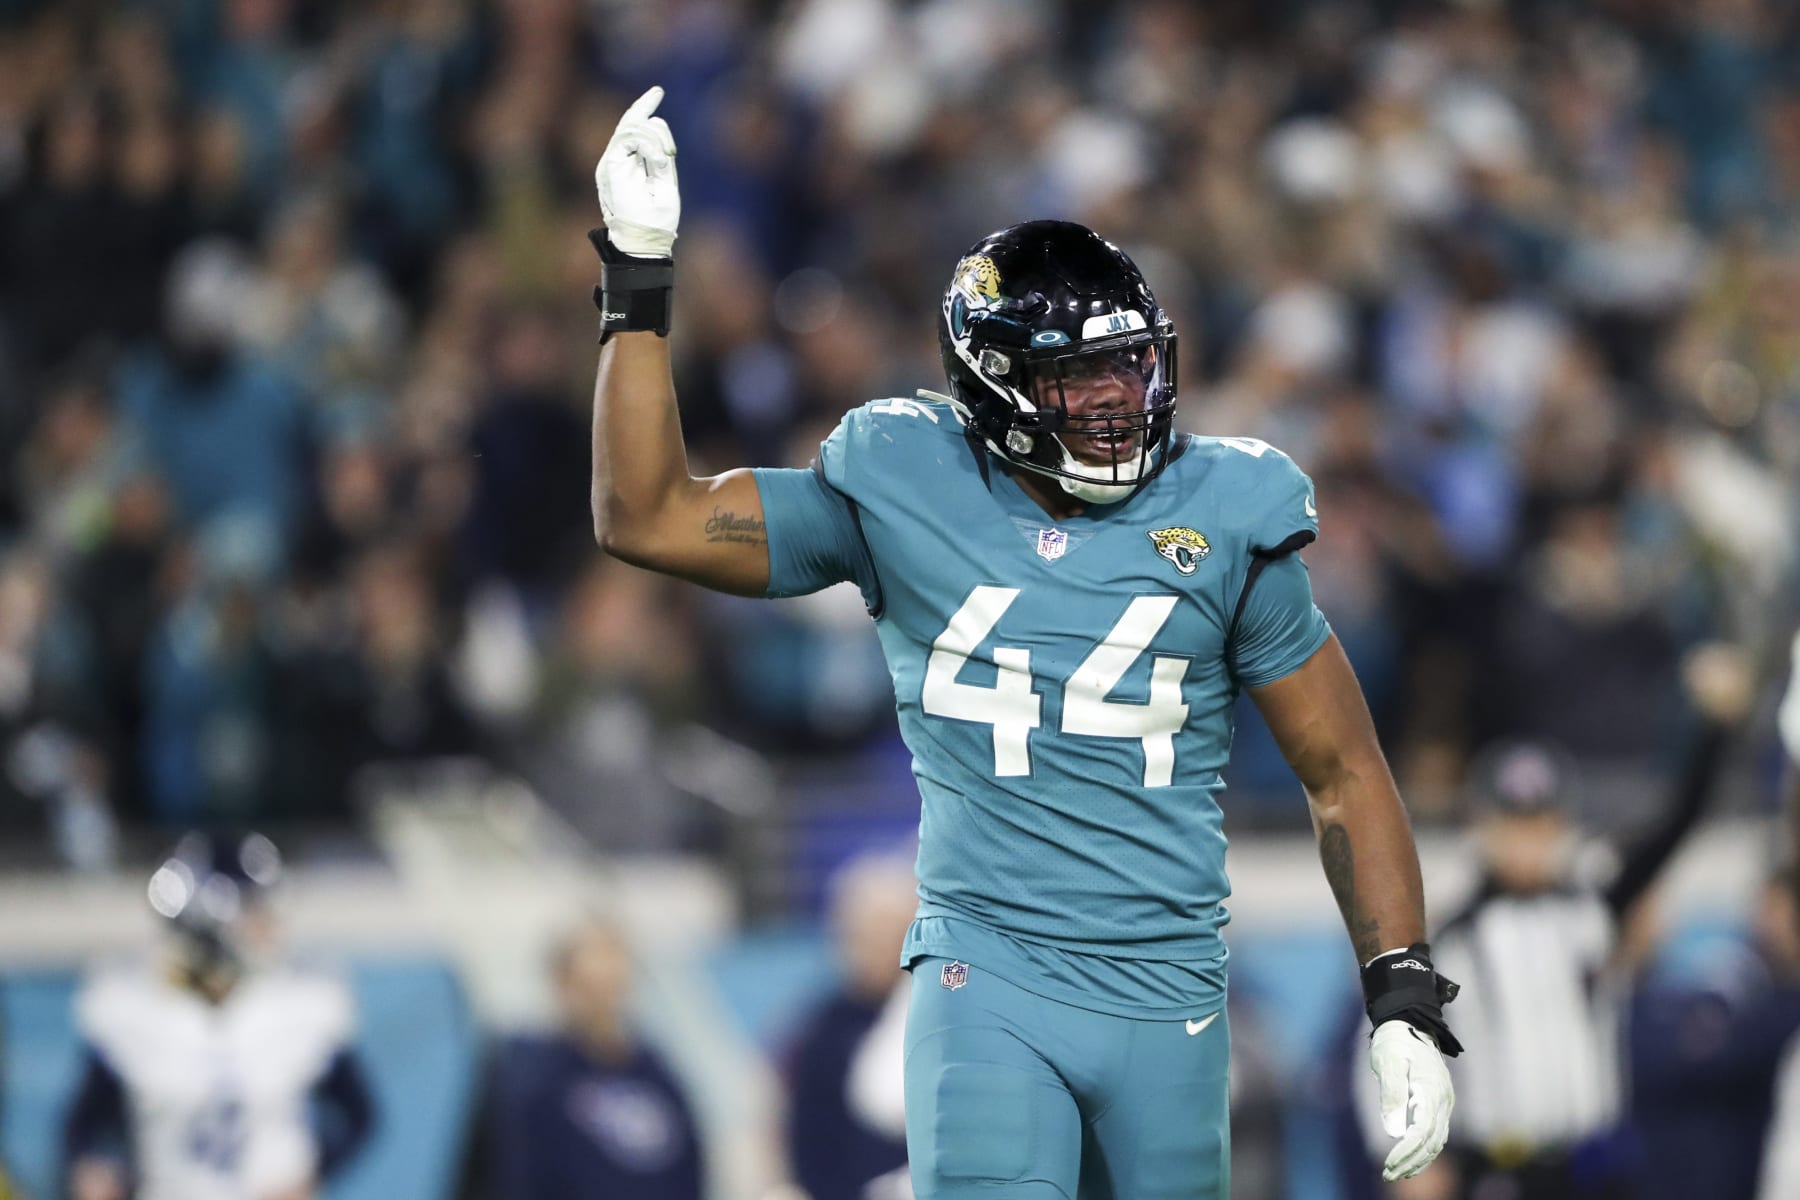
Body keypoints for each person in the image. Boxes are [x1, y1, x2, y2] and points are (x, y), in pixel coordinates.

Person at [588, 88, 1461, 1197]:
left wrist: (1401, 990)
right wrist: (638, 276)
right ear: (993, 383)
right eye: (1073, 375)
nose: (1112, 399)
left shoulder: (1227, 505)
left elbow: (1344, 772)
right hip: (987, 976)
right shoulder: (903, 481)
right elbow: (647, 515)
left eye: (1127, 364)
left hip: (1172, 990)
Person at [1361, 645, 1748, 1200]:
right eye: (1515, 825)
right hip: (1497, 1169)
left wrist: (1714, 729)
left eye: (1542, 825)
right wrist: (1405, 1158)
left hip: (1593, 1168)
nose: (1530, 844)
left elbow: (1673, 829)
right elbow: (1393, 1051)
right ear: (1481, 825)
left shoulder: (1590, 905)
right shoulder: (1449, 939)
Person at [61, 833, 375, 1200]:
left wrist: (312, 1176)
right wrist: (94, 1171)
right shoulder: (134, 1010)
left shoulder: (299, 1003)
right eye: (256, 911)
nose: (270, 926)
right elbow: (83, 1124)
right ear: (209, 919)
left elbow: (360, 1114)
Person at [487, 921, 704, 1200]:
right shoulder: (537, 1079)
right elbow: (522, 1176)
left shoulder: (656, 1074)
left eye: (612, 985)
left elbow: (688, 1165)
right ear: (562, 983)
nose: (603, 1000)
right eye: (589, 986)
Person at [784, 853, 915, 1200]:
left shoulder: (933, 1012)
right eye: (868, 934)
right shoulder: (823, 1030)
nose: (883, 947)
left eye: (894, 933)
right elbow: (809, 1139)